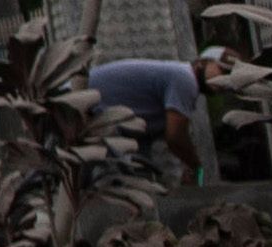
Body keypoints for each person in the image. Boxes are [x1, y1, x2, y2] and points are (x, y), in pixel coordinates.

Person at [85, 51, 206, 182]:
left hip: (119, 126)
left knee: (141, 178)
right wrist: (196, 166)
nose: (223, 80)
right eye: (222, 70)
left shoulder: (162, 103)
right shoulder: (185, 77)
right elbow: (175, 137)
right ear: (201, 63)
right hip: (88, 112)